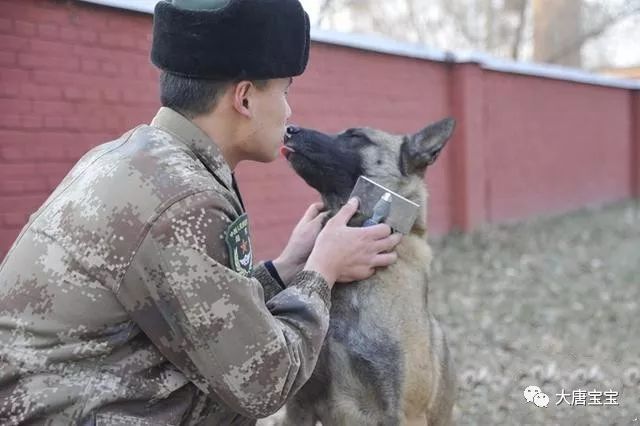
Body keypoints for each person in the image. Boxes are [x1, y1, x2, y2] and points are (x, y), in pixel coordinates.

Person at [0, 0, 402, 424]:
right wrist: (323, 271)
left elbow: (196, 310)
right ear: (245, 98)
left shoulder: (139, 159)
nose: (288, 112)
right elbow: (264, 381)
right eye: (285, 92)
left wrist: (286, 268)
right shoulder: (182, 200)